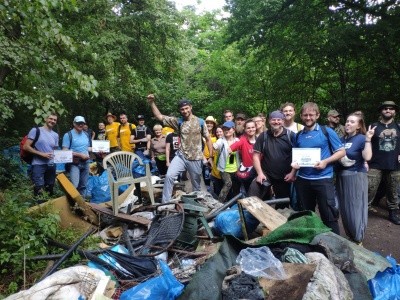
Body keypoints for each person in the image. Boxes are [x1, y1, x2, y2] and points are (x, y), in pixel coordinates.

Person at [147, 94, 212, 202]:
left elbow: (208, 138)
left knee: (196, 185)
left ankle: (197, 205)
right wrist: (152, 103)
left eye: (186, 108)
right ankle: (165, 202)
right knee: (169, 176)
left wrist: (210, 156)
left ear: (191, 107)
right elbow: (160, 117)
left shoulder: (200, 122)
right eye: (182, 109)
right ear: (180, 110)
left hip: (195, 157)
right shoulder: (178, 121)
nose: (185, 111)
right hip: (181, 156)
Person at [292, 102, 345, 234]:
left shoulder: (327, 132)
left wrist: (326, 162)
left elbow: (341, 152)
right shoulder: (299, 135)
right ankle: (311, 241)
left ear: (317, 115)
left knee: (329, 215)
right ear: (301, 116)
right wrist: (293, 170)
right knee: (307, 214)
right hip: (303, 180)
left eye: (311, 115)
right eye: (305, 115)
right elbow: (297, 156)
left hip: (323, 179)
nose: (308, 118)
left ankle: (335, 245)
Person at [336, 113, 374, 244]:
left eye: (352, 122)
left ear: (358, 126)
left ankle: (358, 239)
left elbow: (367, 157)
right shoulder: (341, 139)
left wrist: (368, 139)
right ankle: (351, 236)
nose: (348, 124)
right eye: (347, 121)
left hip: (356, 176)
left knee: (355, 208)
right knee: (345, 209)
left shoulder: (362, 138)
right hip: (341, 177)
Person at [248, 111, 296, 208]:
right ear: (269, 121)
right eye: (273, 119)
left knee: (283, 206)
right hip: (266, 174)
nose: (276, 122)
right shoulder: (264, 136)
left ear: (283, 121)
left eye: (279, 120)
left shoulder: (291, 136)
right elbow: (256, 156)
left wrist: (293, 173)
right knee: (253, 195)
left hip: (284, 176)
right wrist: (260, 173)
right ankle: (252, 219)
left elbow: (298, 156)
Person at [367, 100, 400, 224]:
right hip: (375, 163)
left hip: (394, 164)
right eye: (385, 108)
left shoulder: (398, 126)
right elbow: (366, 143)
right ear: (381, 111)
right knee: (369, 188)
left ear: (394, 112)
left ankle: (393, 213)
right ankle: (363, 211)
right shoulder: (373, 126)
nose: (388, 110)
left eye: (391, 108)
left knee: (393, 190)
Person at [23, 113, 59, 197]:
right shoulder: (36, 130)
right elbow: (25, 146)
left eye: (55, 120)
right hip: (38, 164)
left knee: (50, 188)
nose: (52, 121)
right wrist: (41, 154)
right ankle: (39, 208)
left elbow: (54, 150)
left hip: (51, 165)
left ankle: (49, 209)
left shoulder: (55, 135)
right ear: (45, 119)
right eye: (50, 118)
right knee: (39, 188)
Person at [62, 116, 92, 195]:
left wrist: (99, 149)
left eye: (82, 123)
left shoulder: (86, 134)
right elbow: (64, 151)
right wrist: (79, 155)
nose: (80, 125)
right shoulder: (68, 135)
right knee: (74, 185)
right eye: (78, 123)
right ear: (74, 123)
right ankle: (71, 204)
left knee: (83, 186)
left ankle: (81, 205)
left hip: (86, 162)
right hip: (74, 163)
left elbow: (87, 148)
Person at [213, 121, 240, 202]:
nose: (226, 131)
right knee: (228, 184)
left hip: (236, 168)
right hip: (224, 169)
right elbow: (216, 145)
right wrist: (214, 146)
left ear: (233, 130)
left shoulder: (237, 141)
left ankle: (235, 203)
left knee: (236, 187)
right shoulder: (221, 140)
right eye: (224, 129)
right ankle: (220, 203)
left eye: (228, 129)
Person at [230, 119, 257, 194]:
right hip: (247, 172)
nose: (251, 129)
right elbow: (231, 149)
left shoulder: (260, 140)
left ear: (255, 128)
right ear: (245, 129)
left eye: (252, 127)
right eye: (248, 128)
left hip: (258, 171)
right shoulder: (243, 139)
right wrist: (232, 162)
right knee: (248, 191)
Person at [209, 126, 224, 197]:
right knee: (217, 190)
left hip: (224, 170)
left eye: (220, 131)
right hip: (215, 170)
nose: (218, 133)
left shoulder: (227, 141)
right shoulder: (214, 140)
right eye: (217, 132)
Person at [203, 116, 218, 187]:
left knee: (215, 178)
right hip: (203, 159)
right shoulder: (201, 134)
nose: (209, 124)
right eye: (207, 123)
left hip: (214, 159)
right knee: (206, 178)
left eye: (211, 123)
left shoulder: (216, 134)